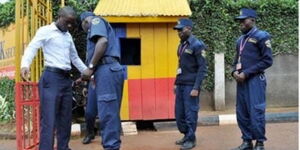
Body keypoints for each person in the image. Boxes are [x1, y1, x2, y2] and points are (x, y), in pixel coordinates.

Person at [20, 6, 93, 150]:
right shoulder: (45, 31)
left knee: (65, 119)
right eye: (67, 22)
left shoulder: (68, 36)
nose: (70, 26)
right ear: (59, 18)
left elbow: (75, 58)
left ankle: (63, 147)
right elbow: (32, 47)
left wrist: (89, 72)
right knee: (49, 120)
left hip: (66, 80)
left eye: (72, 23)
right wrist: (25, 65)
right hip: (51, 78)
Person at [80, 11, 125, 150]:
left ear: (84, 22)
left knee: (108, 112)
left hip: (106, 70)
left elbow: (102, 41)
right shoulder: (98, 25)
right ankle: (111, 144)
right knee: (109, 111)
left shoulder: (95, 21)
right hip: (104, 71)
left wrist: (91, 66)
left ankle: (111, 146)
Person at [231, 8, 273, 150]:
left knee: (256, 111)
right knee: (241, 112)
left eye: (244, 20)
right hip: (241, 82)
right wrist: (234, 72)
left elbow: (267, 61)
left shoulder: (262, 36)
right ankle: (247, 141)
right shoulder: (240, 40)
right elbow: (236, 60)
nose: (241, 23)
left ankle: (259, 142)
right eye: (239, 21)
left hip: (255, 80)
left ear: (253, 20)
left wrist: (247, 73)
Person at [173, 18, 207, 150]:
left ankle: (191, 139)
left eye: (181, 29)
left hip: (190, 86)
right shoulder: (181, 45)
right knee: (179, 113)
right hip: (181, 85)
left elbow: (202, 68)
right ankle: (186, 134)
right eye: (177, 30)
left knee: (190, 113)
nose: (179, 32)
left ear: (189, 29)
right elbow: (180, 66)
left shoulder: (197, 45)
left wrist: (196, 87)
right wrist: (176, 82)